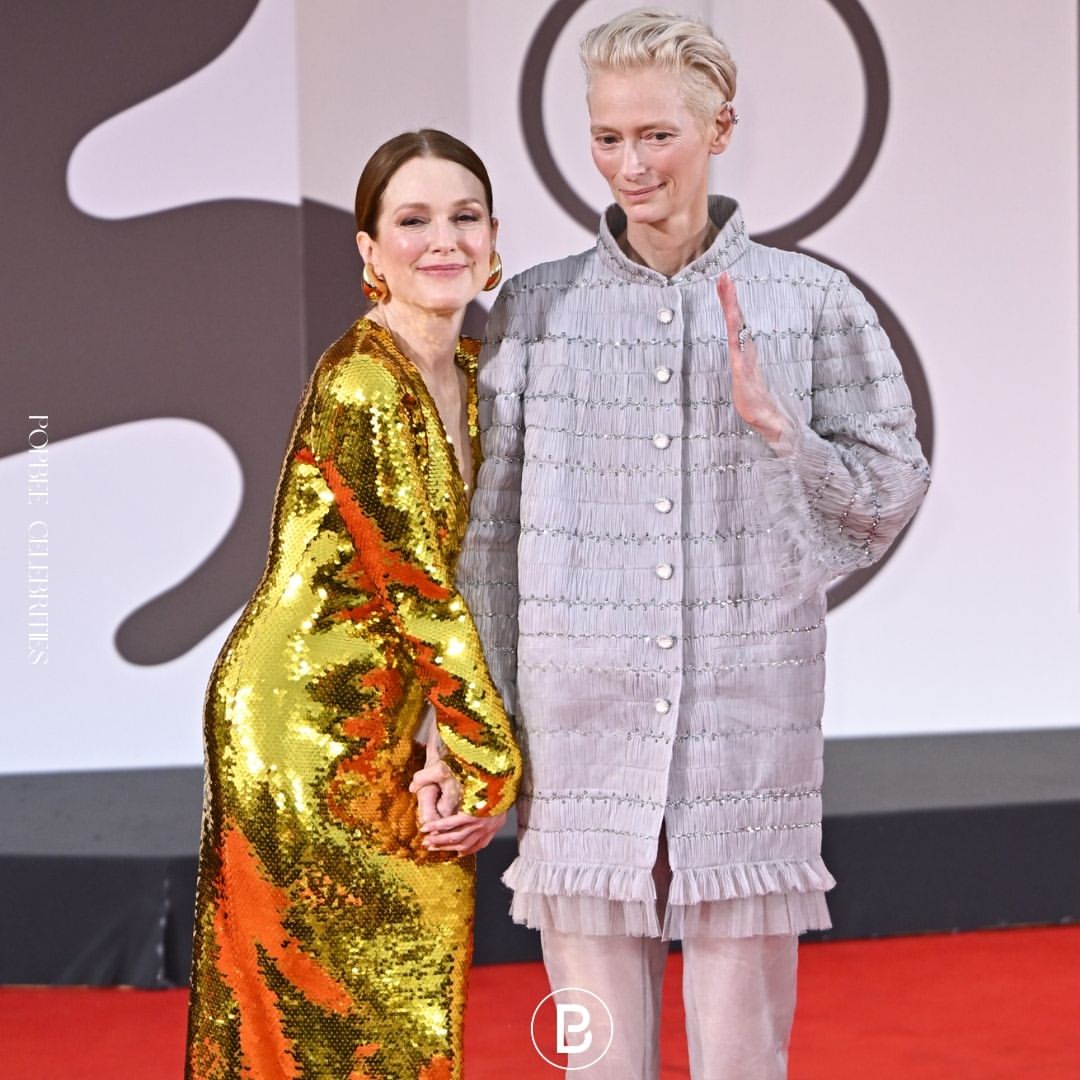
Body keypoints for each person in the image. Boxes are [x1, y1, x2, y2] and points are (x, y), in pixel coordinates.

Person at [457, 8, 930, 1078]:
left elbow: (890, 492)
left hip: (746, 732)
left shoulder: (813, 303)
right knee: (593, 1059)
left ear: (720, 128)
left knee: (744, 1058)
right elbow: (487, 543)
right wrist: (477, 723)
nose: (631, 165)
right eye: (608, 138)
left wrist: (787, 433)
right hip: (579, 742)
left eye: (656, 136)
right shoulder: (533, 310)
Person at [184, 129, 522, 1080]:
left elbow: (481, 576)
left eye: (464, 216)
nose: (444, 239)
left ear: (495, 236)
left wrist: (450, 742)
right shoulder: (362, 379)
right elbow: (420, 592)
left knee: (407, 1013)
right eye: (414, 220)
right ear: (371, 250)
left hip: (402, 722)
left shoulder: (478, 374)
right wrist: (489, 760)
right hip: (303, 732)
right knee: (333, 1027)